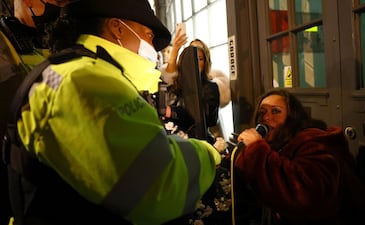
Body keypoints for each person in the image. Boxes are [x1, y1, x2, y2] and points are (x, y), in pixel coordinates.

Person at [4, 0, 221, 225]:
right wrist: (206, 153)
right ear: (117, 28)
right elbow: (158, 186)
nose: (152, 46)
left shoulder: (80, 70)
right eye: (148, 35)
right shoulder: (87, 81)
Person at [234, 89, 365, 225]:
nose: (267, 118)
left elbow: (305, 196)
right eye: (262, 112)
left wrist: (256, 150)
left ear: (292, 116)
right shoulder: (275, 145)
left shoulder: (314, 141)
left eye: (275, 111)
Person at [0, 1, 69, 224]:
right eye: (52, 1)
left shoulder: (59, 41)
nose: (57, 7)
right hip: (22, 181)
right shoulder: (4, 46)